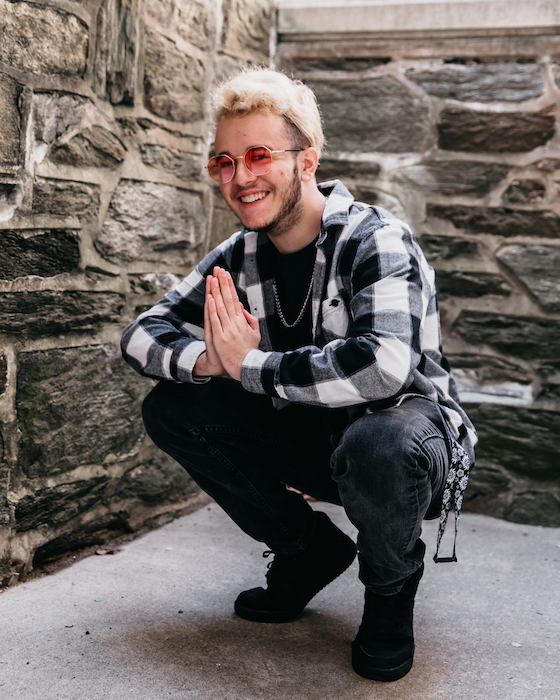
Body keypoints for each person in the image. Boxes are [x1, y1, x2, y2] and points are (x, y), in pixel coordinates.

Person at [121, 67, 476, 682]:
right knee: (174, 407)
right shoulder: (237, 254)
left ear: (306, 160)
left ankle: (390, 592)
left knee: (382, 439)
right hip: (314, 436)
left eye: (258, 155)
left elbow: (383, 368)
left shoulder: (375, 239)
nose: (240, 177)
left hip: (407, 448)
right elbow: (141, 333)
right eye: (224, 162)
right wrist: (209, 361)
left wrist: (251, 367)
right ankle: (306, 550)